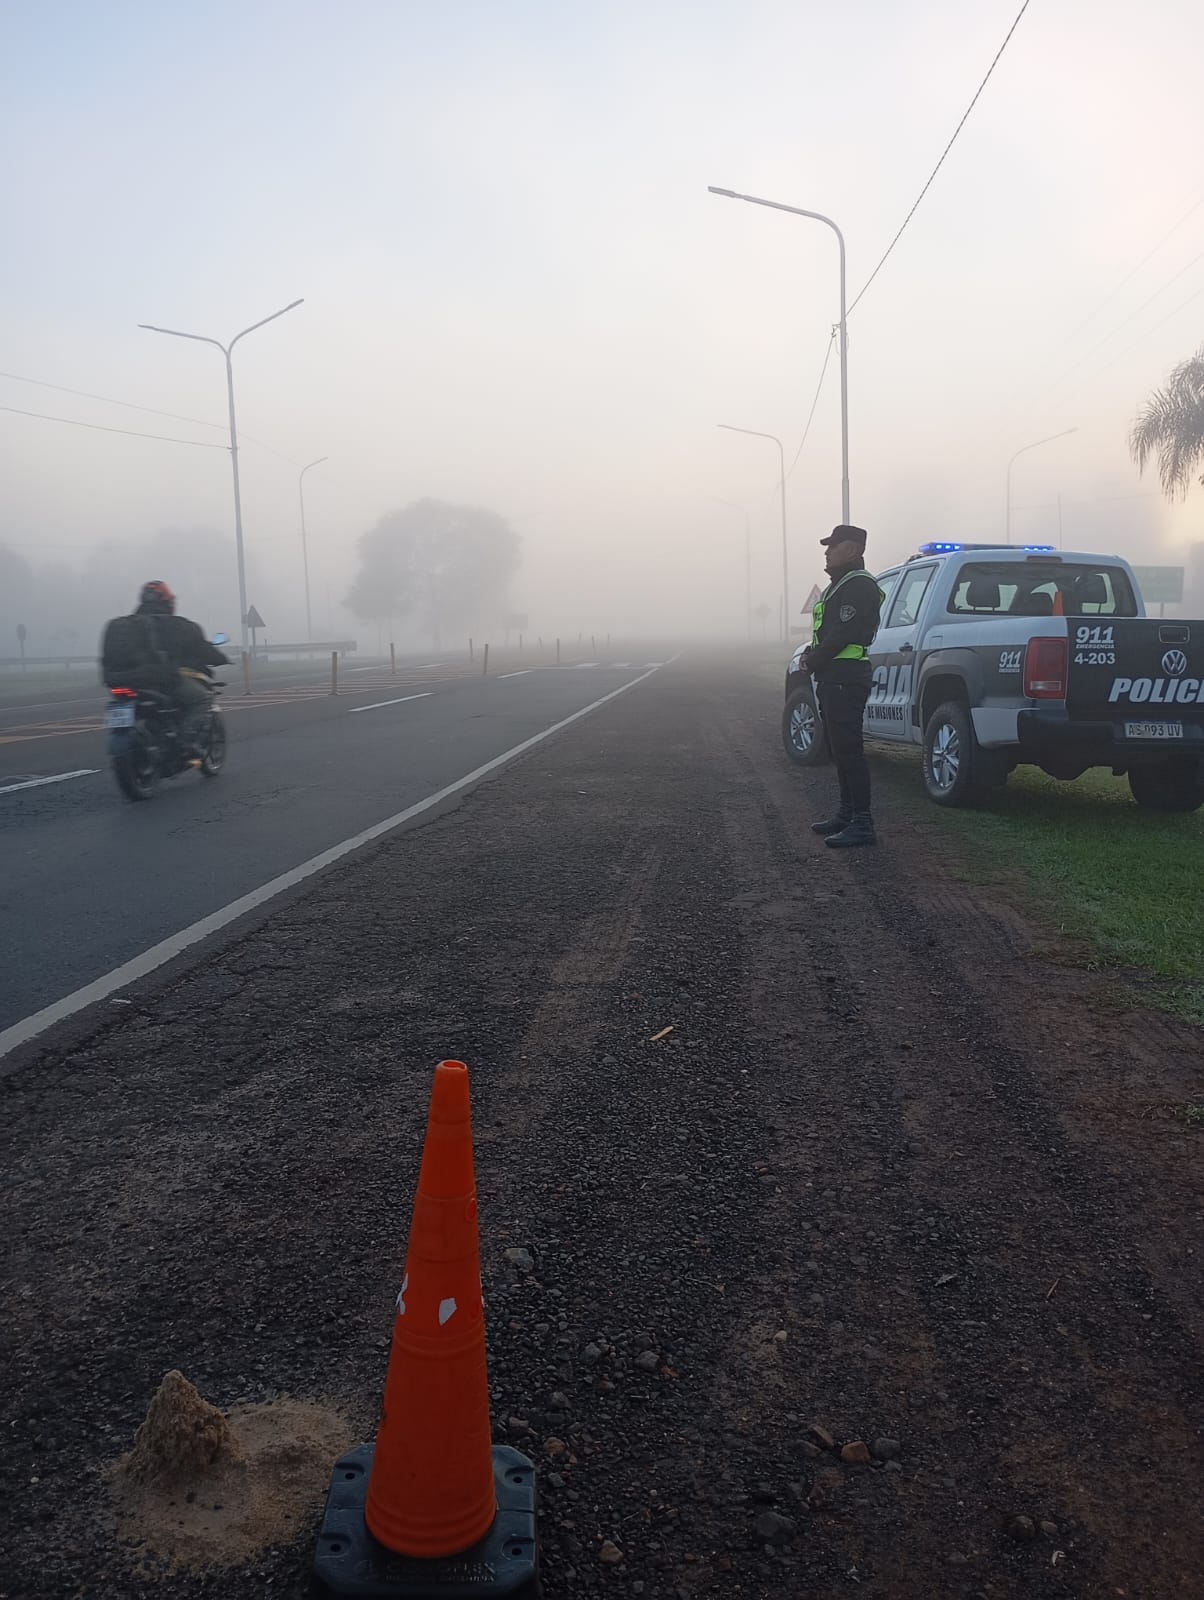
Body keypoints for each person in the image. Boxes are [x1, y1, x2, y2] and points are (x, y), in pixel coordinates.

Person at [801, 525, 884, 849]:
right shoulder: (841, 585)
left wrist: (814, 660)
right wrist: (814, 654)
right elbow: (829, 631)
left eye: (833, 546)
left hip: (845, 678)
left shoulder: (859, 585)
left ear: (852, 550)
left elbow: (843, 633)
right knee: (838, 750)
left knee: (850, 752)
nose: (827, 551)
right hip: (835, 677)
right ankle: (846, 814)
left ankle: (862, 823)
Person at [100, 581, 229, 758]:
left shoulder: (126, 625)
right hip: (158, 682)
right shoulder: (178, 625)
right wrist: (221, 659)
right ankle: (185, 743)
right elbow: (202, 649)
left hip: (119, 681)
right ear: (168, 602)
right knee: (201, 699)